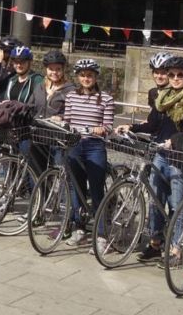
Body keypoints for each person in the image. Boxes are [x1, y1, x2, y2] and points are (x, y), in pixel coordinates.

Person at [115, 54, 183, 262]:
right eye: (172, 75)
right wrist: (131, 127)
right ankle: (155, 243)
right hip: (160, 153)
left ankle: (176, 249)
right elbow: (153, 124)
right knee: (155, 200)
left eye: (180, 75)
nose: (175, 78)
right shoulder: (162, 97)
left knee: (177, 203)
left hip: (180, 156)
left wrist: (176, 140)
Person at [62, 58, 115, 248]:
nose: (86, 78)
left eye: (90, 75)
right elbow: (67, 120)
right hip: (75, 145)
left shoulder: (106, 99)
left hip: (94, 147)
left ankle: (101, 234)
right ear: (78, 77)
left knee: (96, 190)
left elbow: (109, 126)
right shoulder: (71, 96)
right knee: (76, 189)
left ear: (96, 77)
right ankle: (79, 228)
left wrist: (101, 129)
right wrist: (60, 122)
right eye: (83, 75)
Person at [0, 36, 23, 104]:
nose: (0, 53)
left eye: (3, 51)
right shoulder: (2, 65)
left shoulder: (16, 69)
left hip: (7, 102)